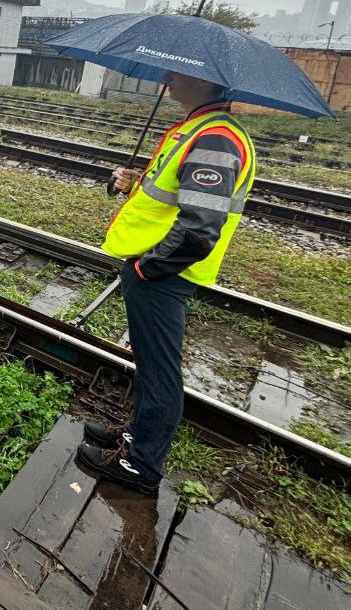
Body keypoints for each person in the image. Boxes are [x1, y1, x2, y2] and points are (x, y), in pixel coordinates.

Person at [78, 71, 257, 494]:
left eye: (177, 73)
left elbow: (199, 229)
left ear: (207, 81)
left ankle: (141, 465)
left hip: (162, 276)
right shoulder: (196, 128)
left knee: (159, 372)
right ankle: (137, 435)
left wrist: (149, 269)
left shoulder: (215, 139)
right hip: (155, 269)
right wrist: (130, 185)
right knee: (150, 362)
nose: (166, 79)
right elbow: (171, 200)